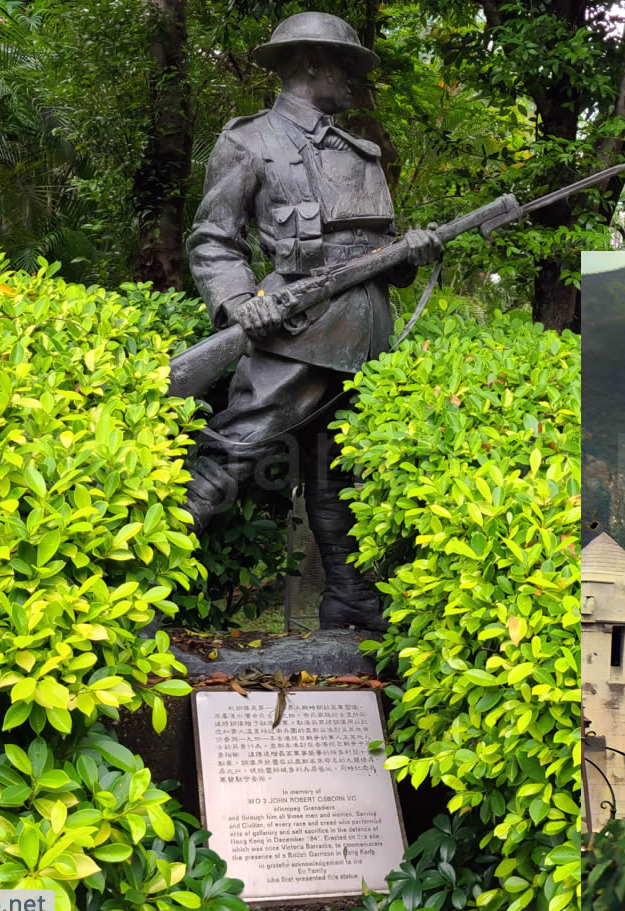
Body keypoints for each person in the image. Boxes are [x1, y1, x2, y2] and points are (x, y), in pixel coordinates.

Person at [184, 12, 442, 631]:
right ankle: (138, 583)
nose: (355, 80)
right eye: (347, 66)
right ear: (312, 65)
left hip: (369, 336)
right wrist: (241, 301)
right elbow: (213, 239)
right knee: (231, 458)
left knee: (340, 472)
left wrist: (413, 254)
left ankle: (350, 599)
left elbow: (376, 254)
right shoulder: (249, 141)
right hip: (295, 332)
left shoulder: (362, 153)